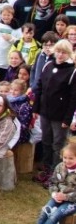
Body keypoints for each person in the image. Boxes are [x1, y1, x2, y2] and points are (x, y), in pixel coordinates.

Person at [17, 141, 76, 224]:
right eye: (65, 157)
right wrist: (54, 194)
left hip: (72, 202)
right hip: (58, 197)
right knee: (45, 212)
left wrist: (66, 196)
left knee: (55, 215)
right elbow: (53, 182)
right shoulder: (60, 167)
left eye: (71, 158)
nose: (67, 161)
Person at [32, 40, 76, 179]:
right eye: (58, 51)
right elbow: (39, 87)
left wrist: (67, 119)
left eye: (63, 52)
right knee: (46, 140)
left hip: (60, 115)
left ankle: (57, 172)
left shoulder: (72, 71)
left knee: (58, 144)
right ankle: (46, 167)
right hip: (45, 111)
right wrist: (36, 107)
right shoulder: (48, 65)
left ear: (68, 54)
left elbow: (73, 98)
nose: (60, 55)